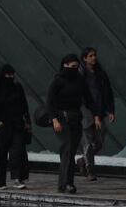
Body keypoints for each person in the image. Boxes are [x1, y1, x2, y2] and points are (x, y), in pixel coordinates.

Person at [48, 53, 98, 194]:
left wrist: (96, 115)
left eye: (77, 66)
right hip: (61, 119)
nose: (74, 69)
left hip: (76, 118)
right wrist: (54, 120)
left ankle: (63, 183)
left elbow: (88, 99)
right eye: (72, 66)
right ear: (65, 66)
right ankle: (67, 183)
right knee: (68, 149)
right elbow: (50, 102)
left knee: (69, 152)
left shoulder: (80, 81)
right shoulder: (58, 81)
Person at [0, 64, 31, 190]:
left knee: (17, 152)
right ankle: (1, 181)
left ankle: (18, 178)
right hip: (1, 125)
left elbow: (24, 106)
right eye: (8, 75)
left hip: (17, 124)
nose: (10, 77)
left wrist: (27, 122)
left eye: (12, 75)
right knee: (0, 154)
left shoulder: (17, 88)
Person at [77, 47, 115, 181]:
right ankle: (90, 170)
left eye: (95, 55)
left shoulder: (100, 73)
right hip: (86, 111)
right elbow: (83, 96)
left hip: (99, 109)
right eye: (91, 56)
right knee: (87, 140)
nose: (94, 58)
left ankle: (83, 159)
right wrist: (94, 115)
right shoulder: (81, 74)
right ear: (85, 58)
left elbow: (108, 91)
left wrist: (111, 110)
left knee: (99, 141)